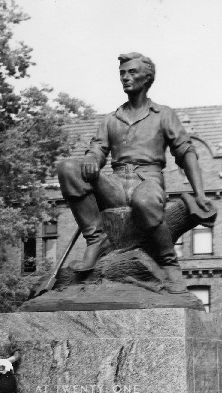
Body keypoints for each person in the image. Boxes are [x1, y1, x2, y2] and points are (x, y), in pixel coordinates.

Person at [57, 52, 211, 293]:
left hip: (147, 180)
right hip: (115, 185)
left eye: (132, 72)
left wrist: (200, 194)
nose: (125, 78)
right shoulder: (111, 119)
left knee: (145, 201)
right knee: (67, 167)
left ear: (147, 77)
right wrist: (91, 158)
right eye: (122, 73)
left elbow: (185, 152)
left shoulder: (164, 114)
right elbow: (97, 149)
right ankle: (96, 239)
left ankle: (168, 261)